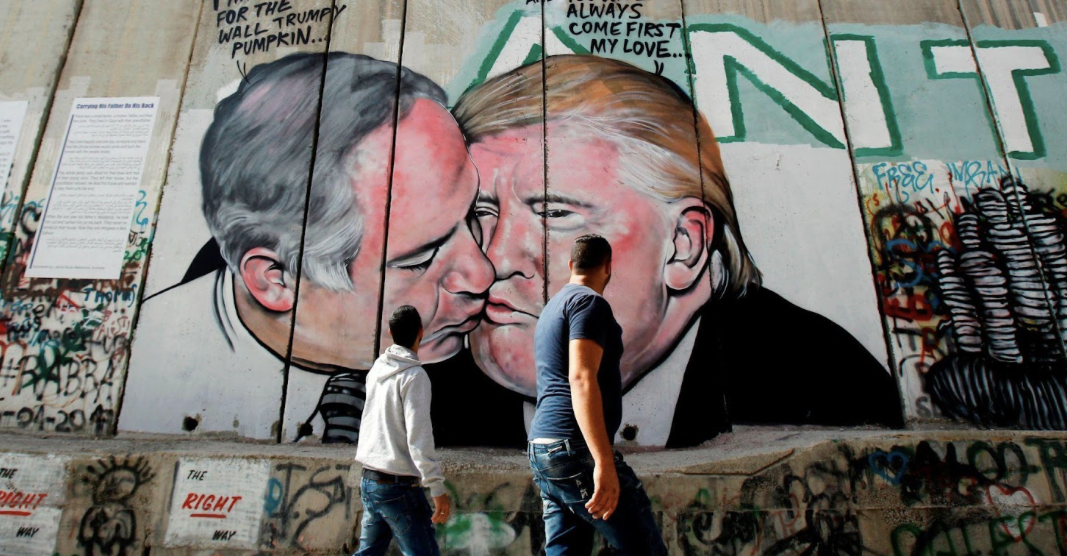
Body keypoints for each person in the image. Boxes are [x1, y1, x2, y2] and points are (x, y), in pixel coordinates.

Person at [435, 54, 901, 448]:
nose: (492, 260)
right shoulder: (434, 384)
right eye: (479, 212)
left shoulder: (821, 384)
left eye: (556, 213)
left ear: (683, 245)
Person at [120, 52, 494, 440]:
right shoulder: (146, 386)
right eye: (420, 259)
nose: (482, 274)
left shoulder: (489, 372)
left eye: (475, 215)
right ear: (274, 280)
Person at [527, 235, 667, 555]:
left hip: (543, 450)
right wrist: (602, 462)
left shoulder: (552, 308)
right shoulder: (589, 304)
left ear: (571, 265)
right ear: (608, 266)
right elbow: (581, 377)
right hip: (574, 450)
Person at [355, 305, 450, 556]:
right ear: (421, 331)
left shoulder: (377, 369)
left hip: (370, 480)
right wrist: (436, 487)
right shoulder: (415, 377)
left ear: (390, 332)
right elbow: (419, 437)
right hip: (398, 487)